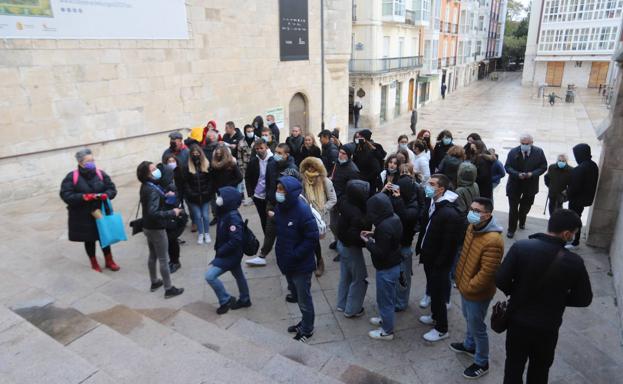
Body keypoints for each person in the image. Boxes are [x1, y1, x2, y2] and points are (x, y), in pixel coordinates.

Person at [496, 209, 592, 384]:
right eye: (574, 234)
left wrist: (516, 292)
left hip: (518, 322)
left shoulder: (521, 247)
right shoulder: (575, 262)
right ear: (566, 234)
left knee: (513, 367)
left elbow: (500, 279)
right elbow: (584, 299)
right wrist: (559, 299)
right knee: (540, 370)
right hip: (548, 327)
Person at [450, 197, 504, 379]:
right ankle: (469, 345)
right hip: (465, 285)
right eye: (471, 209)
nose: (471, 213)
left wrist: (469, 286)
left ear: (487, 215)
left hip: (477, 292)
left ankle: (482, 362)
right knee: (468, 318)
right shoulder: (472, 228)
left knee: (478, 326)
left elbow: (487, 273)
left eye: (477, 211)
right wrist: (460, 277)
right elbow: (464, 255)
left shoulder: (493, 241)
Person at [416, 174, 463, 342]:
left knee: (438, 293)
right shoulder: (432, 202)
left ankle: (441, 328)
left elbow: (449, 245)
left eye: (432, 184)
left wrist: (439, 264)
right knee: (434, 291)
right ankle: (435, 316)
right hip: (430, 257)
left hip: (438, 262)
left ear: (441, 189)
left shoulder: (450, 213)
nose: (428, 186)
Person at [60, 148, 120, 272]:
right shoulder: (72, 177)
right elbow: (66, 194)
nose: (92, 162)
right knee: (89, 239)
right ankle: (94, 263)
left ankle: (109, 260)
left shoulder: (100, 174)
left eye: (93, 160)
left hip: (100, 211)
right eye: (89, 161)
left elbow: (112, 189)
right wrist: (83, 197)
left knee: (105, 236)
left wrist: (106, 195)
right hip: (83, 215)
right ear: (81, 163)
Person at [275, 176, 320, 342]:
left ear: (290, 192)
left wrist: (295, 255)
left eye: (282, 190)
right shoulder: (281, 207)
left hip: (300, 264)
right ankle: (304, 322)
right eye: (278, 188)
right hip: (287, 262)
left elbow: (312, 238)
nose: (278, 192)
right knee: (296, 295)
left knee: (304, 299)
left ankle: (307, 329)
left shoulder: (302, 210)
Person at [136, 161, 184, 299]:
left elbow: (151, 203)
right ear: (147, 174)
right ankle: (169, 289)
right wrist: (172, 212)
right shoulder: (151, 189)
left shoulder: (147, 186)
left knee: (153, 255)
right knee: (163, 258)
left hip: (147, 226)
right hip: (156, 228)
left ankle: (155, 282)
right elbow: (153, 212)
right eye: (153, 169)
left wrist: (165, 195)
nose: (157, 170)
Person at [246, 144, 299, 267]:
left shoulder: (292, 169)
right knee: (269, 231)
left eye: (280, 153)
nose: (276, 155)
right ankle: (262, 256)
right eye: (276, 152)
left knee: (287, 232)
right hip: (272, 202)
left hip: (286, 206)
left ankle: (292, 254)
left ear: (287, 155)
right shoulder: (271, 165)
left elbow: (293, 190)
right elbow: (269, 184)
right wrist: (269, 203)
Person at [362, 193, 403, 341]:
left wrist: (368, 242)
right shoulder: (394, 218)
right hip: (393, 264)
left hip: (386, 268)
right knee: (385, 297)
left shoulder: (384, 226)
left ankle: (387, 331)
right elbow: (390, 238)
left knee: (386, 301)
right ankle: (384, 319)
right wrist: (374, 234)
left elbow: (380, 252)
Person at [205, 186, 251, 314]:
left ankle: (225, 300)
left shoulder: (232, 217)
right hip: (229, 253)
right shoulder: (225, 212)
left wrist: (221, 251)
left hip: (230, 254)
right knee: (238, 275)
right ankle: (245, 298)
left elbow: (236, 240)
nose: (218, 199)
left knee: (210, 276)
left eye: (221, 197)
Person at [336, 180, 371, 318]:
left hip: (342, 245)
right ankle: (352, 309)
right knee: (360, 278)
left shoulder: (345, 202)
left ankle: (342, 304)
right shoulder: (356, 213)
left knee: (346, 276)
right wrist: (368, 241)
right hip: (351, 248)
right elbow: (354, 236)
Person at [390, 171, 424, 312]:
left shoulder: (412, 206)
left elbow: (404, 218)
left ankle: (401, 303)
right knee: (396, 277)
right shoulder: (404, 200)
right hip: (395, 245)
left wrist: (397, 200)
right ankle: (396, 299)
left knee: (403, 278)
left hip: (404, 247)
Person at [504, 134, 548, 239]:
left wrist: (532, 174)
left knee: (525, 206)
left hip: (530, 185)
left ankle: (522, 219)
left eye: (526, 144)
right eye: (522, 143)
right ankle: (511, 229)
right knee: (513, 209)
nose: (524, 145)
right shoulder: (513, 152)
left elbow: (543, 166)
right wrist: (517, 174)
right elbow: (507, 167)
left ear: (532, 143)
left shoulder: (539, 152)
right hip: (515, 184)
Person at [299, 157, 337, 276]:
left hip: (319, 216)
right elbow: (302, 196)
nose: (310, 169)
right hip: (306, 214)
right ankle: (309, 261)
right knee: (307, 239)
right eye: (308, 166)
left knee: (315, 240)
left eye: (313, 167)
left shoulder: (326, 181)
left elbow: (333, 199)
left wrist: (322, 210)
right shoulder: (304, 180)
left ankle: (319, 262)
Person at [566, 143, 599, 249]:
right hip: (586, 198)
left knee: (573, 219)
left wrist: (566, 194)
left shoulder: (580, 169)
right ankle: (573, 239)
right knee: (577, 218)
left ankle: (574, 242)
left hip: (576, 200)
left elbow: (574, 187)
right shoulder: (593, 165)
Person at [158, 155, 186, 273]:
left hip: (172, 220)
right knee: (169, 242)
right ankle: (172, 260)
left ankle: (175, 261)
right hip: (167, 219)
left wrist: (165, 196)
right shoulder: (162, 186)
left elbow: (173, 202)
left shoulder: (171, 187)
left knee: (172, 241)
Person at [183, 144, 213, 244]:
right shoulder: (187, 167)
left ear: (200, 154)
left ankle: (207, 233)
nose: (196, 155)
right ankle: (201, 234)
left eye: (197, 153)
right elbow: (185, 182)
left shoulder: (206, 164)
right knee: (198, 216)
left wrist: (208, 191)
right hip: (193, 197)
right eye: (194, 153)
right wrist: (190, 193)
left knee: (205, 215)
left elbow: (210, 180)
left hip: (205, 196)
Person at [244, 139, 273, 236]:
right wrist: (251, 194)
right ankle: (267, 238)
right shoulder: (253, 162)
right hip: (258, 196)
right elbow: (247, 177)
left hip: (270, 196)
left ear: (266, 148)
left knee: (273, 218)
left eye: (261, 148)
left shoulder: (273, 160)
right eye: (257, 148)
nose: (259, 150)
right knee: (263, 218)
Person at [353, 129, 386, 196]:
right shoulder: (358, 147)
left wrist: (366, 178)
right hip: (360, 179)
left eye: (359, 137)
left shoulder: (374, 148)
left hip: (370, 181)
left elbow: (377, 168)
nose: (358, 139)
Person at [237, 124, 258, 205]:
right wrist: (241, 166)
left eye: (252, 131)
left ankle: (257, 197)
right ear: (245, 132)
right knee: (248, 183)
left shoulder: (258, 140)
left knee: (256, 181)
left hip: (256, 165)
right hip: (245, 166)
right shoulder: (241, 142)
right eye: (248, 131)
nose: (250, 133)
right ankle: (251, 197)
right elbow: (239, 156)